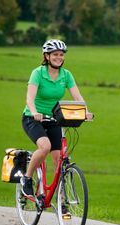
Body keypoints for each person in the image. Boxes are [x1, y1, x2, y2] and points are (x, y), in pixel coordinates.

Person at [20, 39, 93, 201]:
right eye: (55, 54)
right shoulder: (38, 73)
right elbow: (29, 98)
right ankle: (27, 178)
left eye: (61, 55)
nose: (58, 57)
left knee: (59, 158)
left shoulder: (66, 75)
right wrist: (34, 112)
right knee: (44, 146)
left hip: (53, 119)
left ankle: (62, 197)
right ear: (47, 56)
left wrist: (85, 111)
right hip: (33, 118)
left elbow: (77, 96)